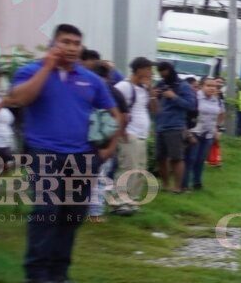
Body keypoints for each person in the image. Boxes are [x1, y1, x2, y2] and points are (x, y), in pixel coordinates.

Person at [0, 24, 120, 283]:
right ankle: (36, 274)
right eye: (65, 41)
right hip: (44, 152)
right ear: (54, 43)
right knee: (47, 210)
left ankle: (59, 272)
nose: (71, 47)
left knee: (73, 214)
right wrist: (47, 67)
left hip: (82, 155)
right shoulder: (31, 71)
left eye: (76, 42)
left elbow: (114, 113)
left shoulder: (91, 79)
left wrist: (109, 148)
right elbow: (18, 99)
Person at [89, 58, 151, 219]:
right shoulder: (124, 86)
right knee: (127, 168)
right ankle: (118, 201)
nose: (151, 72)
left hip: (142, 135)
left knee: (139, 169)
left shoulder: (144, 89)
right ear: (138, 70)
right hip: (129, 134)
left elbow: (152, 109)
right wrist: (121, 131)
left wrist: (151, 93)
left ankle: (131, 201)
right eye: (148, 69)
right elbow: (113, 106)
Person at [153, 64, 197, 192]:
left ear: (171, 71)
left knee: (176, 158)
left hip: (175, 126)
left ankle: (177, 187)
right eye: (160, 73)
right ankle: (165, 185)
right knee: (160, 158)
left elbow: (191, 105)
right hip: (160, 125)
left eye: (164, 72)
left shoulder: (183, 86)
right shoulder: (160, 84)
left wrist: (174, 97)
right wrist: (153, 95)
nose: (163, 75)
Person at [189, 78, 223, 191]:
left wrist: (217, 129)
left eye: (214, 86)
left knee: (201, 159)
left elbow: (221, 114)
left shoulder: (216, 100)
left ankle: (197, 183)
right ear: (202, 86)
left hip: (208, 134)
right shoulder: (196, 97)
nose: (212, 88)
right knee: (191, 158)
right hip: (195, 132)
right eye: (208, 85)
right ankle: (185, 183)